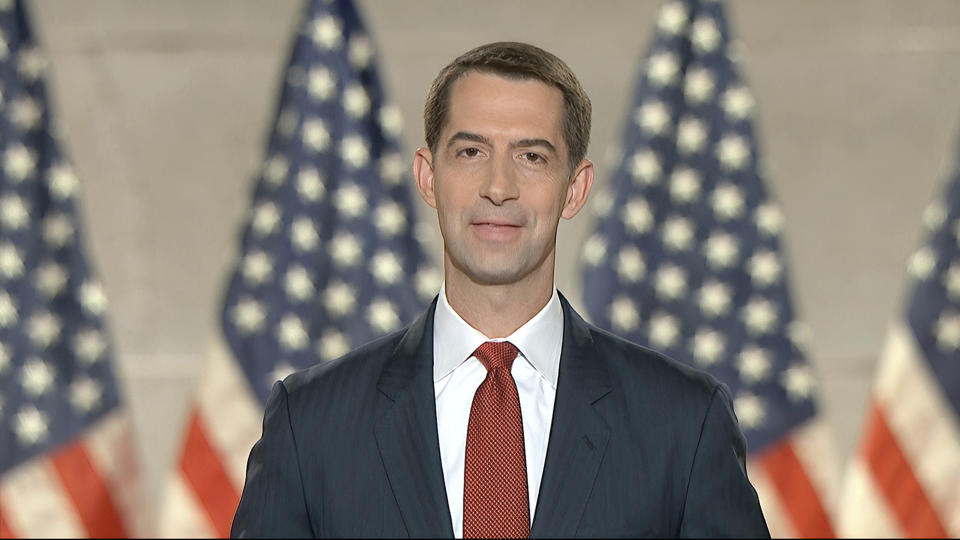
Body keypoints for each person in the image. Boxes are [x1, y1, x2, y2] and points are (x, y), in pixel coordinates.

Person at [231, 41, 769, 538]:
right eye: (470, 152)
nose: (498, 188)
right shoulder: (310, 424)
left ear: (574, 188)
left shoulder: (684, 422)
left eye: (531, 156)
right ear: (427, 177)